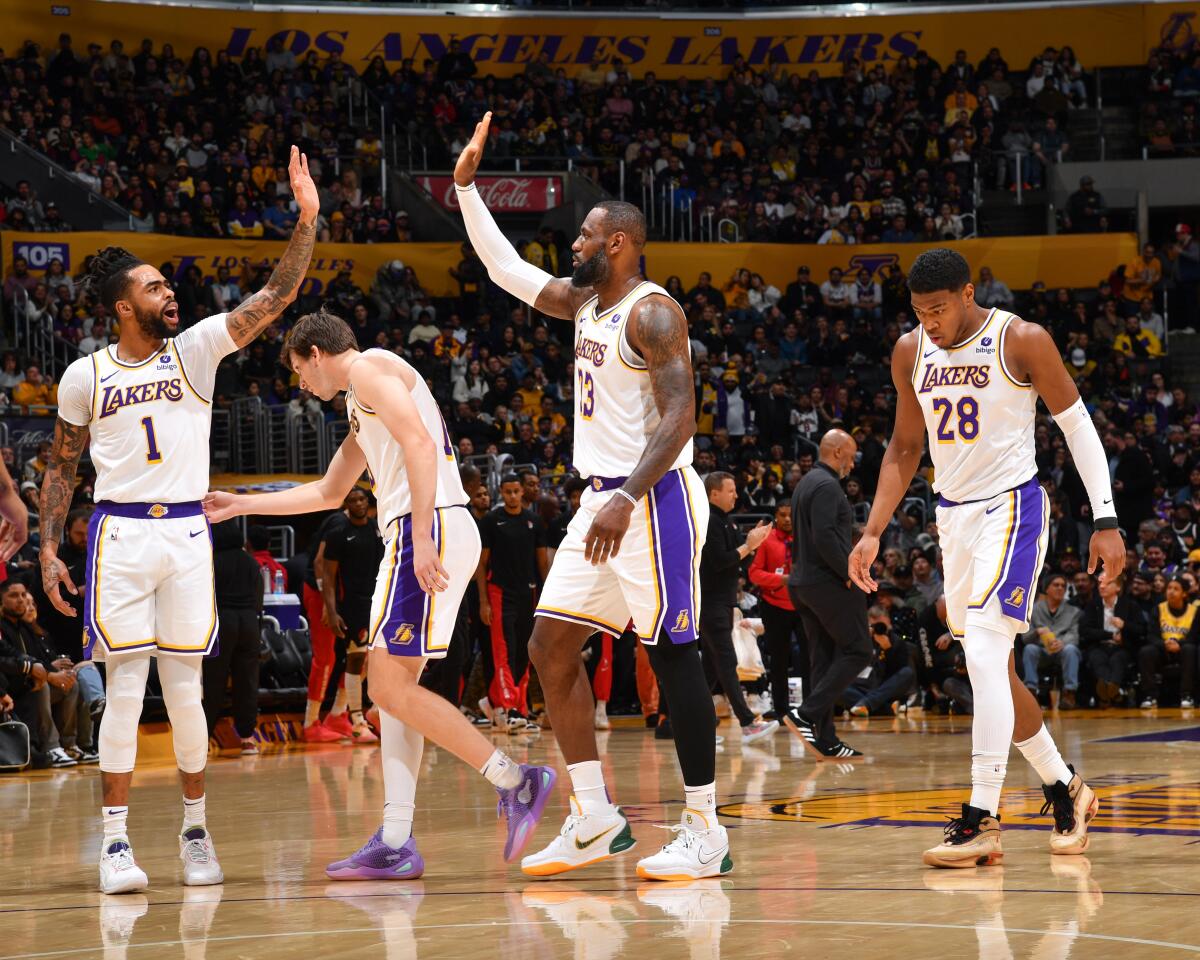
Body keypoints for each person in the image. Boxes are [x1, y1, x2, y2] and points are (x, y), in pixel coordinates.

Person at [38, 145, 318, 894]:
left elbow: (276, 297)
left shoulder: (194, 351)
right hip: (120, 533)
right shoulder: (84, 375)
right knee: (127, 689)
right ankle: (116, 846)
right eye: (155, 287)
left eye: (168, 284)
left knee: (189, 691)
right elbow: (61, 468)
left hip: (190, 532)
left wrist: (309, 219)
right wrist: (45, 549)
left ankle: (196, 834)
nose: (171, 295)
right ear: (123, 306)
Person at [455, 113, 728, 881]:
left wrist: (627, 496)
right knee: (548, 644)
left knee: (672, 653)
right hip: (599, 501)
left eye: (583, 236)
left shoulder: (652, 311)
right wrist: (467, 191)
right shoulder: (584, 304)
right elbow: (509, 272)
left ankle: (705, 829)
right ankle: (594, 815)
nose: (571, 245)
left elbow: (681, 417)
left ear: (617, 243)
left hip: (655, 499)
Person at [203, 308, 556, 876]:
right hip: (430, 523)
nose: (301, 383)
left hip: (427, 523)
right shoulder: (363, 400)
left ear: (316, 353)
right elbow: (327, 491)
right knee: (393, 694)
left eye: (299, 370)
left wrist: (420, 533)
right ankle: (395, 839)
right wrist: (241, 503)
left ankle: (515, 781)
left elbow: (419, 443)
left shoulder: (366, 370)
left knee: (385, 687)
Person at [848, 247, 1125, 868]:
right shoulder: (909, 350)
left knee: (981, 649)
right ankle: (1067, 788)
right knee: (990, 668)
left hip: (1013, 508)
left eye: (939, 310)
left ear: (969, 294)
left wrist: (1105, 519)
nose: (931, 324)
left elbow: (1078, 427)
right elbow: (902, 447)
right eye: (920, 313)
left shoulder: (1021, 340)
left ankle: (982, 816)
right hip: (953, 516)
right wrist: (872, 531)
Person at [786, 429, 868, 760]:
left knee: (823, 659)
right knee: (859, 650)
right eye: (851, 455)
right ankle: (805, 714)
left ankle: (826, 738)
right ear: (836, 452)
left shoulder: (806, 483)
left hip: (803, 583)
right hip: (825, 582)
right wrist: (847, 572)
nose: (852, 462)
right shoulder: (827, 486)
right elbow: (824, 537)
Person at [700, 471, 777, 742]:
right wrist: (749, 544)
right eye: (730, 490)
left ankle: (687, 725)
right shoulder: (708, 520)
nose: (736, 495)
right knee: (726, 661)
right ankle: (747, 722)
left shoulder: (725, 522)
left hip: (722, 601)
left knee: (709, 671)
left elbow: (735, 563)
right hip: (710, 602)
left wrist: (753, 543)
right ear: (714, 494)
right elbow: (720, 561)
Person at [476, 473, 549, 732]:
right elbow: (481, 565)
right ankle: (507, 708)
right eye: (508, 492)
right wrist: (483, 601)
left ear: (522, 492)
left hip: (527, 594)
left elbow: (542, 563)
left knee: (523, 653)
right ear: (501, 493)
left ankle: (516, 707)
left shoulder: (534, 521)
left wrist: (547, 597)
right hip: (499, 594)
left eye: (516, 491)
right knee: (503, 652)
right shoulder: (491, 521)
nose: (513, 496)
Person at [322, 487, 385, 742]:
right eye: (353, 500)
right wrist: (331, 610)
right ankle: (357, 719)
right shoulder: (339, 534)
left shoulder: (377, 529)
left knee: (377, 659)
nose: (358, 503)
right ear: (346, 504)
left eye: (362, 499)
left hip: (377, 601)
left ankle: (371, 710)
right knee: (355, 658)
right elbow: (328, 576)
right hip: (352, 604)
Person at [202, 519, 263, 753]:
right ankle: (247, 738)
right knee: (247, 681)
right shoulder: (251, 561)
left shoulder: (211, 561)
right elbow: (259, 598)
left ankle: (204, 738)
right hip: (249, 622)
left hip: (222, 621)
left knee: (213, 681)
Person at [747, 500, 803, 719]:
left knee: (809, 659)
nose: (787, 519)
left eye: (790, 515)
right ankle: (780, 709)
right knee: (778, 660)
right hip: (774, 607)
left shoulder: (804, 538)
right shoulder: (767, 541)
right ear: (776, 517)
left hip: (802, 606)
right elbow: (754, 574)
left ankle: (812, 709)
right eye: (782, 515)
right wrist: (781, 579)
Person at [1019, 572, 1083, 707]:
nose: (1060, 588)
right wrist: (1037, 632)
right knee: (1029, 649)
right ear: (1047, 589)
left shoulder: (1074, 611)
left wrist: (1063, 642)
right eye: (1056, 585)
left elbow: (1074, 635)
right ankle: (1031, 691)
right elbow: (1025, 638)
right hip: (1041, 650)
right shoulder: (1033, 609)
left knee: (1071, 649)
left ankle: (1069, 693)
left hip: (1062, 650)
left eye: (1063, 586)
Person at [1080, 574, 1142, 707]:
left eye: (1107, 583)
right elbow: (1085, 630)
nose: (1102, 586)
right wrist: (1110, 636)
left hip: (1123, 647)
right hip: (1099, 645)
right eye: (1100, 583)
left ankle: (1107, 692)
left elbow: (1141, 630)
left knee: (1117, 659)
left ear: (1118, 587)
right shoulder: (1093, 605)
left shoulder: (1131, 605)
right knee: (1097, 657)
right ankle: (1114, 692)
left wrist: (1124, 626)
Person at [846, 605, 917, 716]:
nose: (880, 629)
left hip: (883, 689)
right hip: (860, 687)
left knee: (907, 673)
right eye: (875, 625)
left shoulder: (897, 642)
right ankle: (883, 709)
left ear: (888, 622)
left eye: (883, 625)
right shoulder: (859, 640)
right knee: (835, 686)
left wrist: (888, 650)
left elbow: (896, 674)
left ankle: (866, 704)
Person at [1139, 576, 1198, 709]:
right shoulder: (1158, 609)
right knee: (1146, 651)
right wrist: (1164, 644)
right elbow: (1151, 635)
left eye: (1176, 589)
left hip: (1182, 649)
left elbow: (1194, 636)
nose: (1171, 591)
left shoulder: (1194, 611)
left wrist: (1179, 644)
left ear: (1184, 593)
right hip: (1162, 649)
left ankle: (1186, 695)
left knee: (1190, 649)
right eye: (1169, 588)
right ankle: (1150, 696)